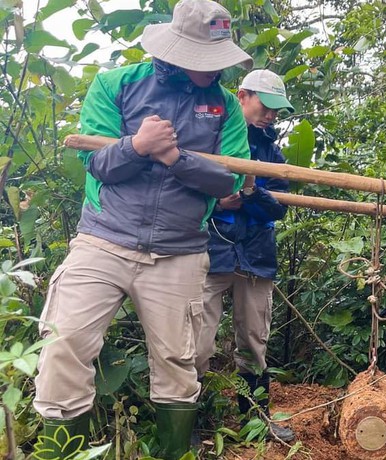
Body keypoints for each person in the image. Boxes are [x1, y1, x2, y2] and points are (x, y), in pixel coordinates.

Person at [32, 1, 252, 458]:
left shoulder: (227, 107)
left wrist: (176, 159)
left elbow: (230, 180)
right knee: (64, 343)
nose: (213, 71)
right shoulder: (116, 85)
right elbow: (97, 163)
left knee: (178, 362)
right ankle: (64, 451)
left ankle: (170, 453)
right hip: (104, 240)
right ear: (177, 53)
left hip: (180, 251)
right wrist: (136, 145)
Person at [194, 69, 295, 442]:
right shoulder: (212, 132)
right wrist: (218, 200)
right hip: (212, 250)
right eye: (266, 106)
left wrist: (252, 194)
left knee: (254, 340)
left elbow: (279, 205)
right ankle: (192, 420)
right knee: (197, 340)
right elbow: (189, 182)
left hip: (256, 255)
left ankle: (255, 420)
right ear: (242, 96)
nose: (271, 115)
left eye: (276, 110)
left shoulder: (271, 150)